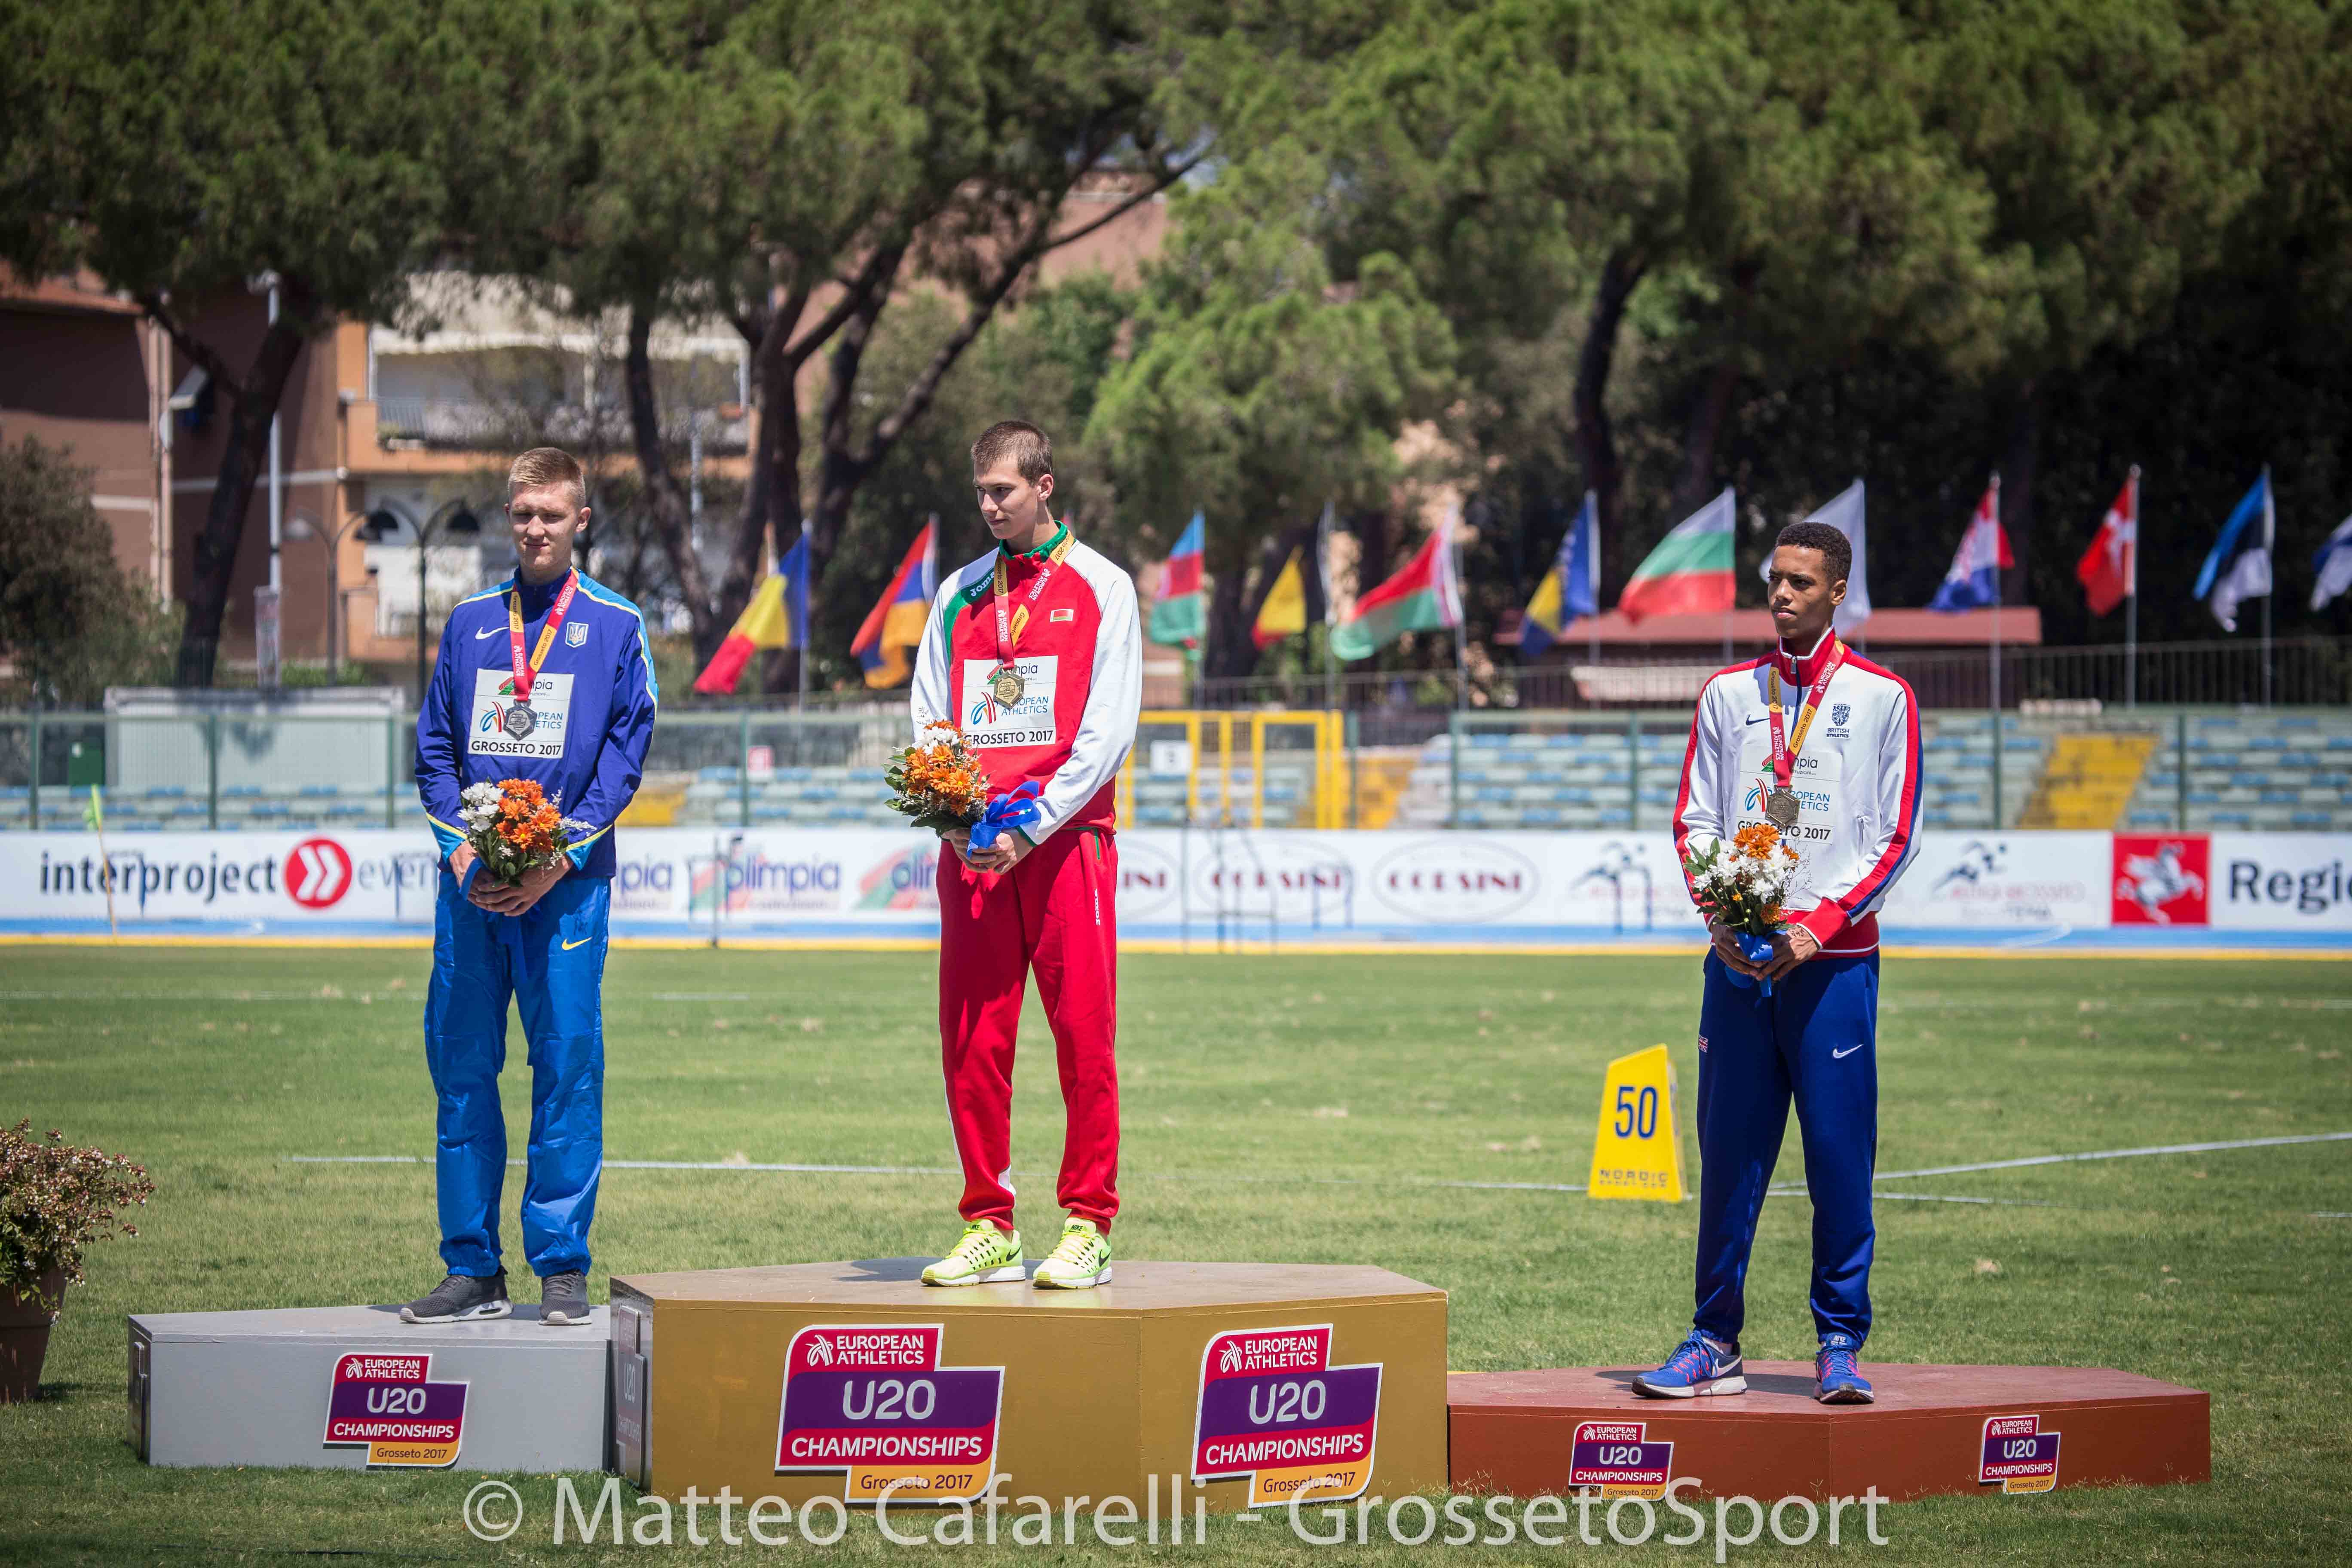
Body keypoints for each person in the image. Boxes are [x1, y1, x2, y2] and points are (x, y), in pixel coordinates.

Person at [1635, 518, 1920, 1404]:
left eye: (1801, 581)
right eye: (1775, 579)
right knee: (1728, 1159)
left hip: (1831, 968)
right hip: (1737, 964)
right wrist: (1718, 915)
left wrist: (1817, 929)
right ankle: (1713, 1340)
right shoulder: (1727, 694)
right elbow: (1695, 820)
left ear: (1838, 591)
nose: (1782, 593)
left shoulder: (1884, 696)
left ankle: (1839, 1343)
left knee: (1838, 1160)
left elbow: (1897, 836)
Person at [402, 447, 658, 1326]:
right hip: (473, 893)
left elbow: (626, 754)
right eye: (522, 513)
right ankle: (471, 1266)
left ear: (580, 520)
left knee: (567, 1071)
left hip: (568, 889)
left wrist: (560, 856)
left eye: (551, 514)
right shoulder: (471, 622)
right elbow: (435, 747)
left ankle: (560, 1264)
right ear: (507, 516)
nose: (535, 528)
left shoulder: (617, 624)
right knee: (462, 1071)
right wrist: (461, 852)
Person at [909, 420, 1141, 1290]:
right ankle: (989, 1222)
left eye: (1003, 491)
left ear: (1044, 486)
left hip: (1065, 841)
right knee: (972, 1038)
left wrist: (1030, 824)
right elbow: (930, 711)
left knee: (1083, 1034)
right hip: (974, 847)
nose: (989, 507)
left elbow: (1108, 730)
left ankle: (1088, 1223)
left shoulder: (1105, 587)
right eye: (980, 493)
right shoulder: (959, 592)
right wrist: (952, 811)